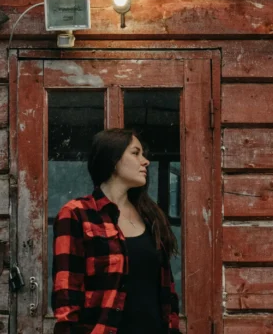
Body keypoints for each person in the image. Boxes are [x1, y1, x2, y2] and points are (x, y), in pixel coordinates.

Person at [51, 129, 180, 334]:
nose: (145, 161)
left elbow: (167, 292)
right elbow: (67, 294)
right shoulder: (77, 214)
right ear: (113, 159)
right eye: (136, 153)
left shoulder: (150, 216)